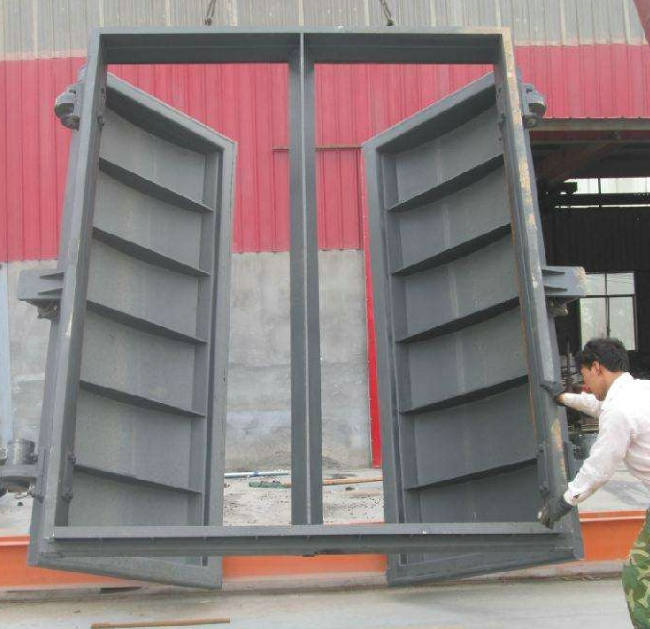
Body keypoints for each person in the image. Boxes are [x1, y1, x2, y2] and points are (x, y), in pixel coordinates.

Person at [539, 337, 650, 628]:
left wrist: (566, 500)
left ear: (597, 367)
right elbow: (600, 406)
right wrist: (565, 398)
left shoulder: (619, 409)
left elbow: (601, 465)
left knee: (639, 576)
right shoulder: (641, 391)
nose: (585, 383)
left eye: (585, 375)